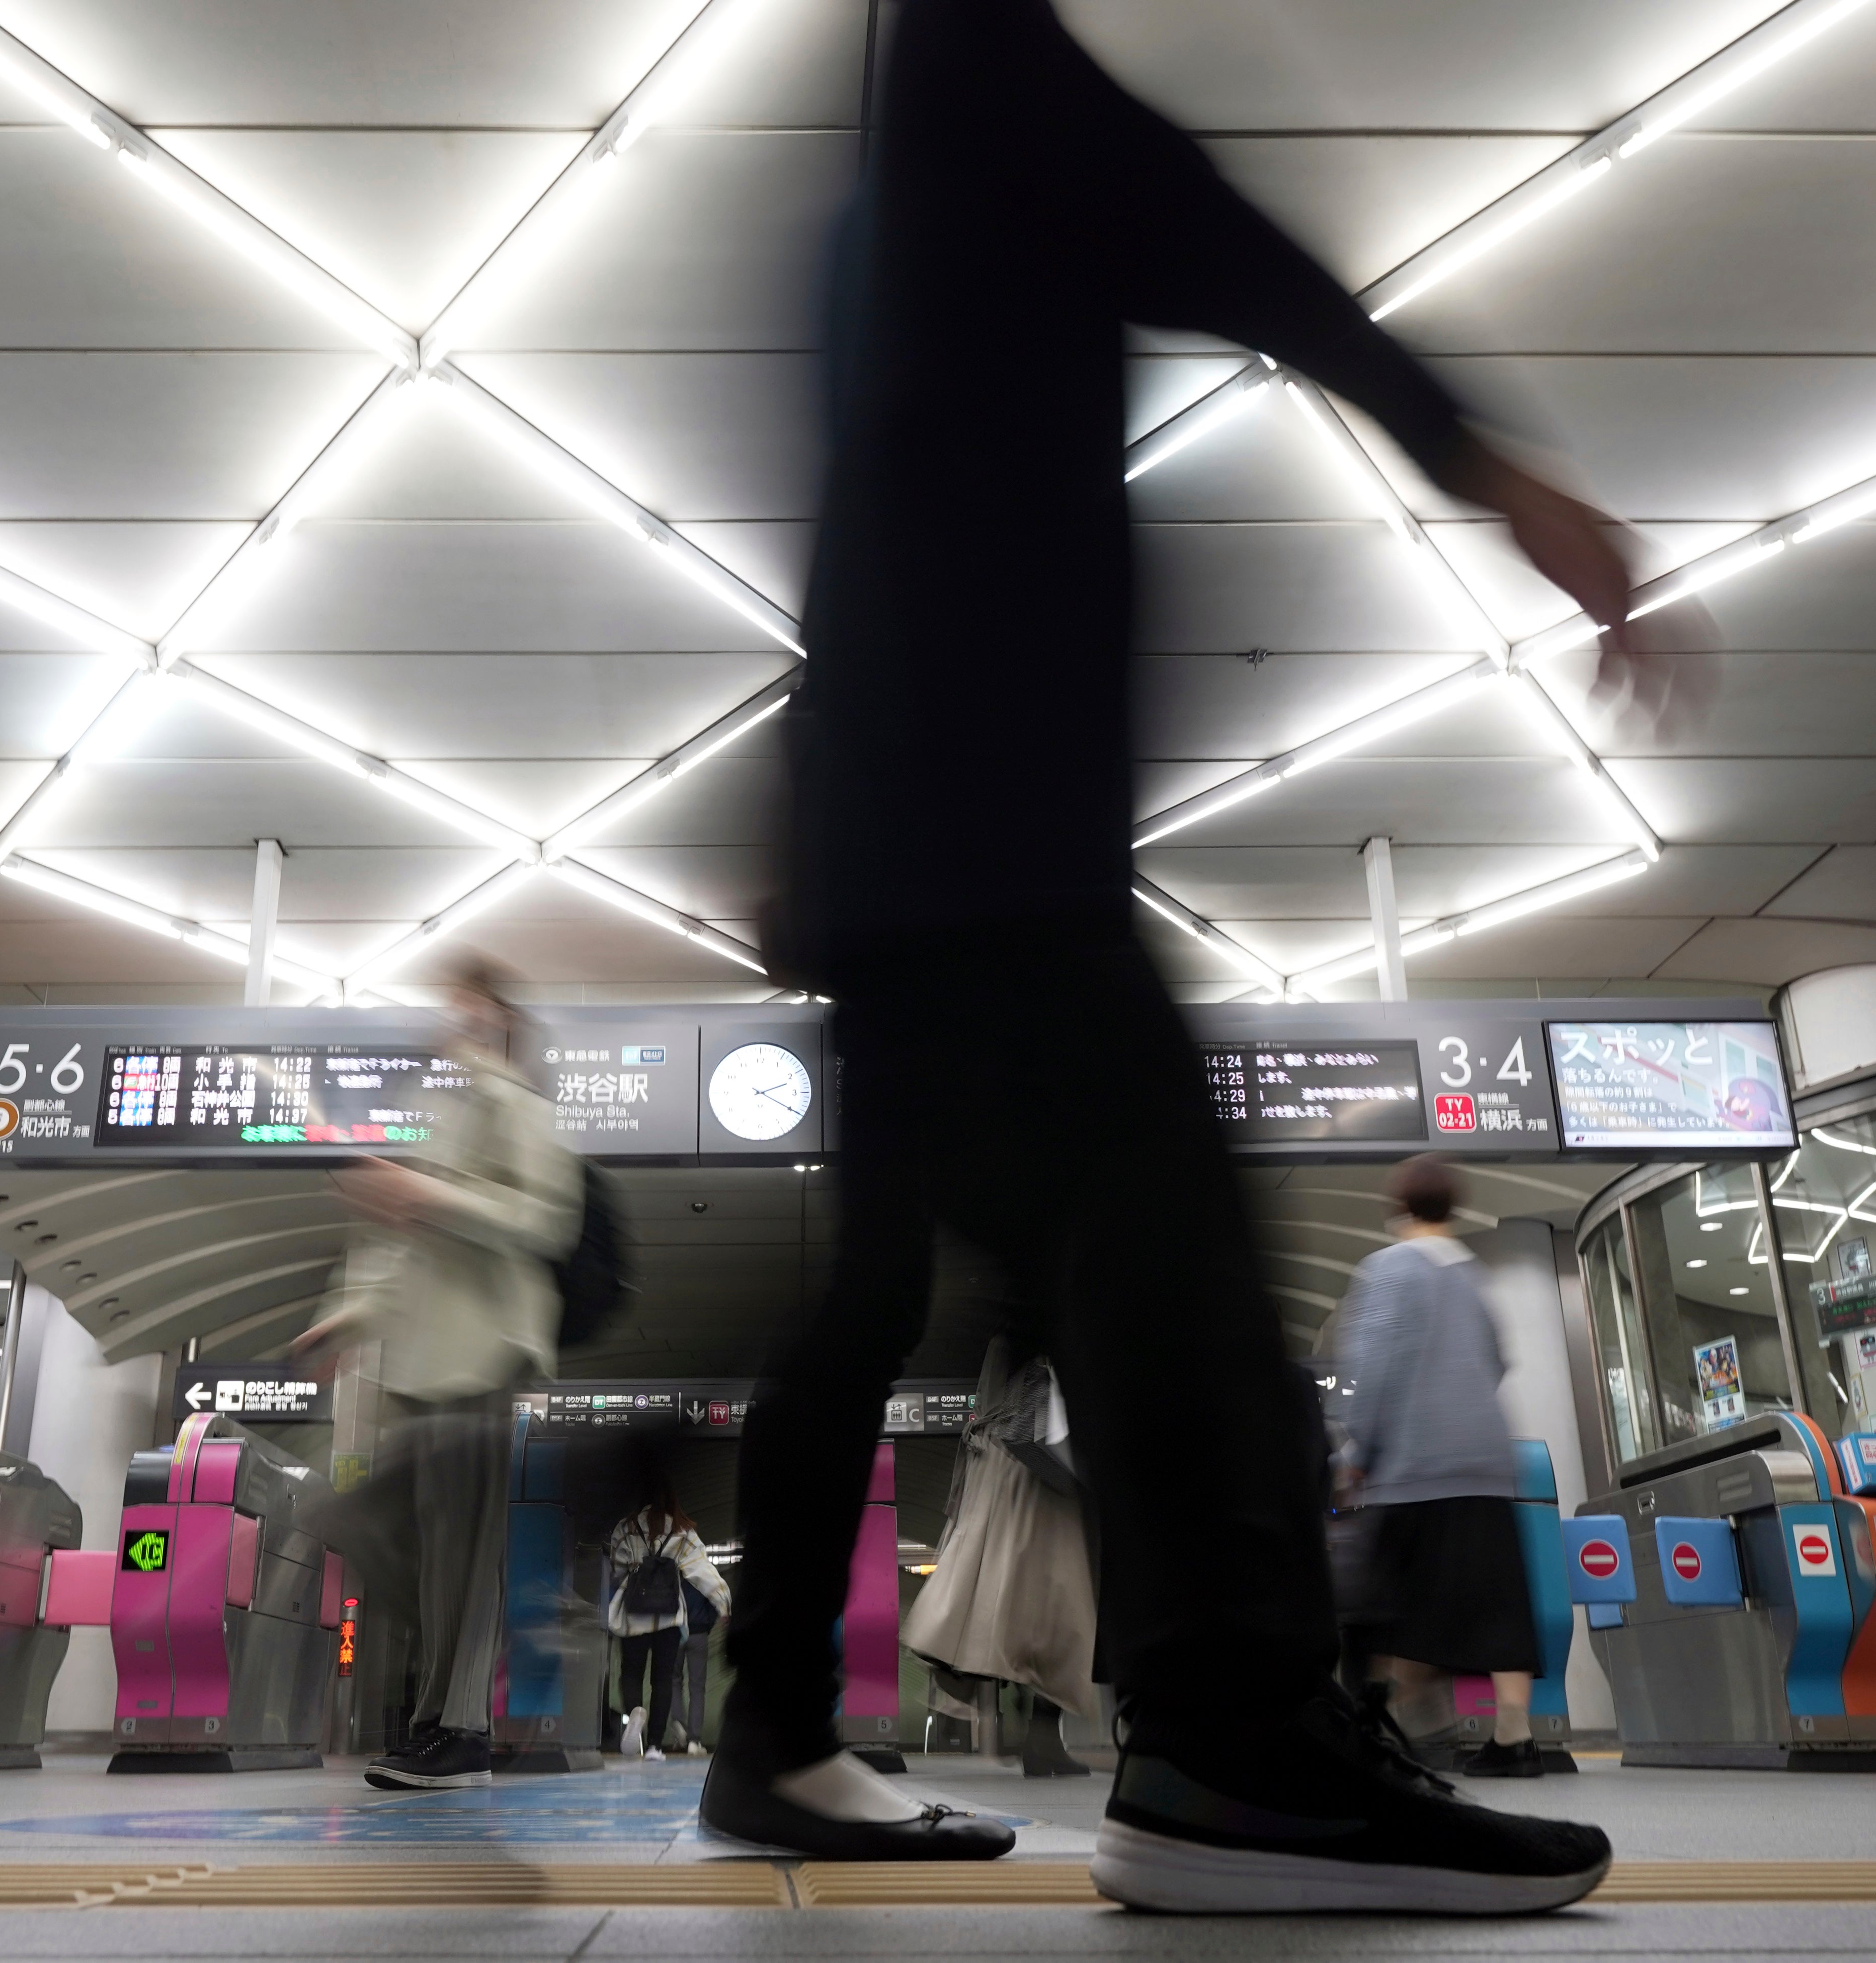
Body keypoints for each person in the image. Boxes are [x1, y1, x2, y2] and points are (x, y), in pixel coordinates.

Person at [705, 0, 1641, 1912]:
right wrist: (1481, 457)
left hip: (894, 825)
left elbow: (861, 484)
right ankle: (1232, 1749)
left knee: (872, 1302)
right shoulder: (978, 63)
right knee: (1169, 1279)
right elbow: (1211, 232)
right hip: (989, 820)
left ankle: (774, 1726)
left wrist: (798, 802)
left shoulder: (873, 174)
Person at [297, 958, 582, 1791]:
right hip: (421, 1362)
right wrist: (345, 1318)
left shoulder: (522, 1107)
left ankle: (457, 1729)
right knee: (380, 1528)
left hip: (486, 1354)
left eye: (466, 1004)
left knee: (460, 1551)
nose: (449, 1018)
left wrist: (429, 1198)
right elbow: (398, 1242)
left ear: (498, 1017)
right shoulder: (440, 1111)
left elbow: (543, 1222)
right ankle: (443, 1719)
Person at [1333, 1157, 1546, 1778]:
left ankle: (1388, 1728)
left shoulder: (1386, 1269)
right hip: (1484, 1462)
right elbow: (1497, 1360)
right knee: (1497, 1600)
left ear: (1397, 1208)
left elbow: (1372, 1369)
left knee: (1388, 1604)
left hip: (1414, 1464)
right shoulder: (1472, 1272)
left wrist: (1357, 1452)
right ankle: (1514, 1736)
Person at [604, 1473, 730, 1760]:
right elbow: (703, 1573)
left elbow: (616, 1569)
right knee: (662, 1679)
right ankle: (655, 1747)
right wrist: (725, 1605)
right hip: (669, 1617)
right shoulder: (682, 1531)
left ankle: (636, 1712)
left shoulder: (625, 1528)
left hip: (634, 1614)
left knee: (631, 1674)